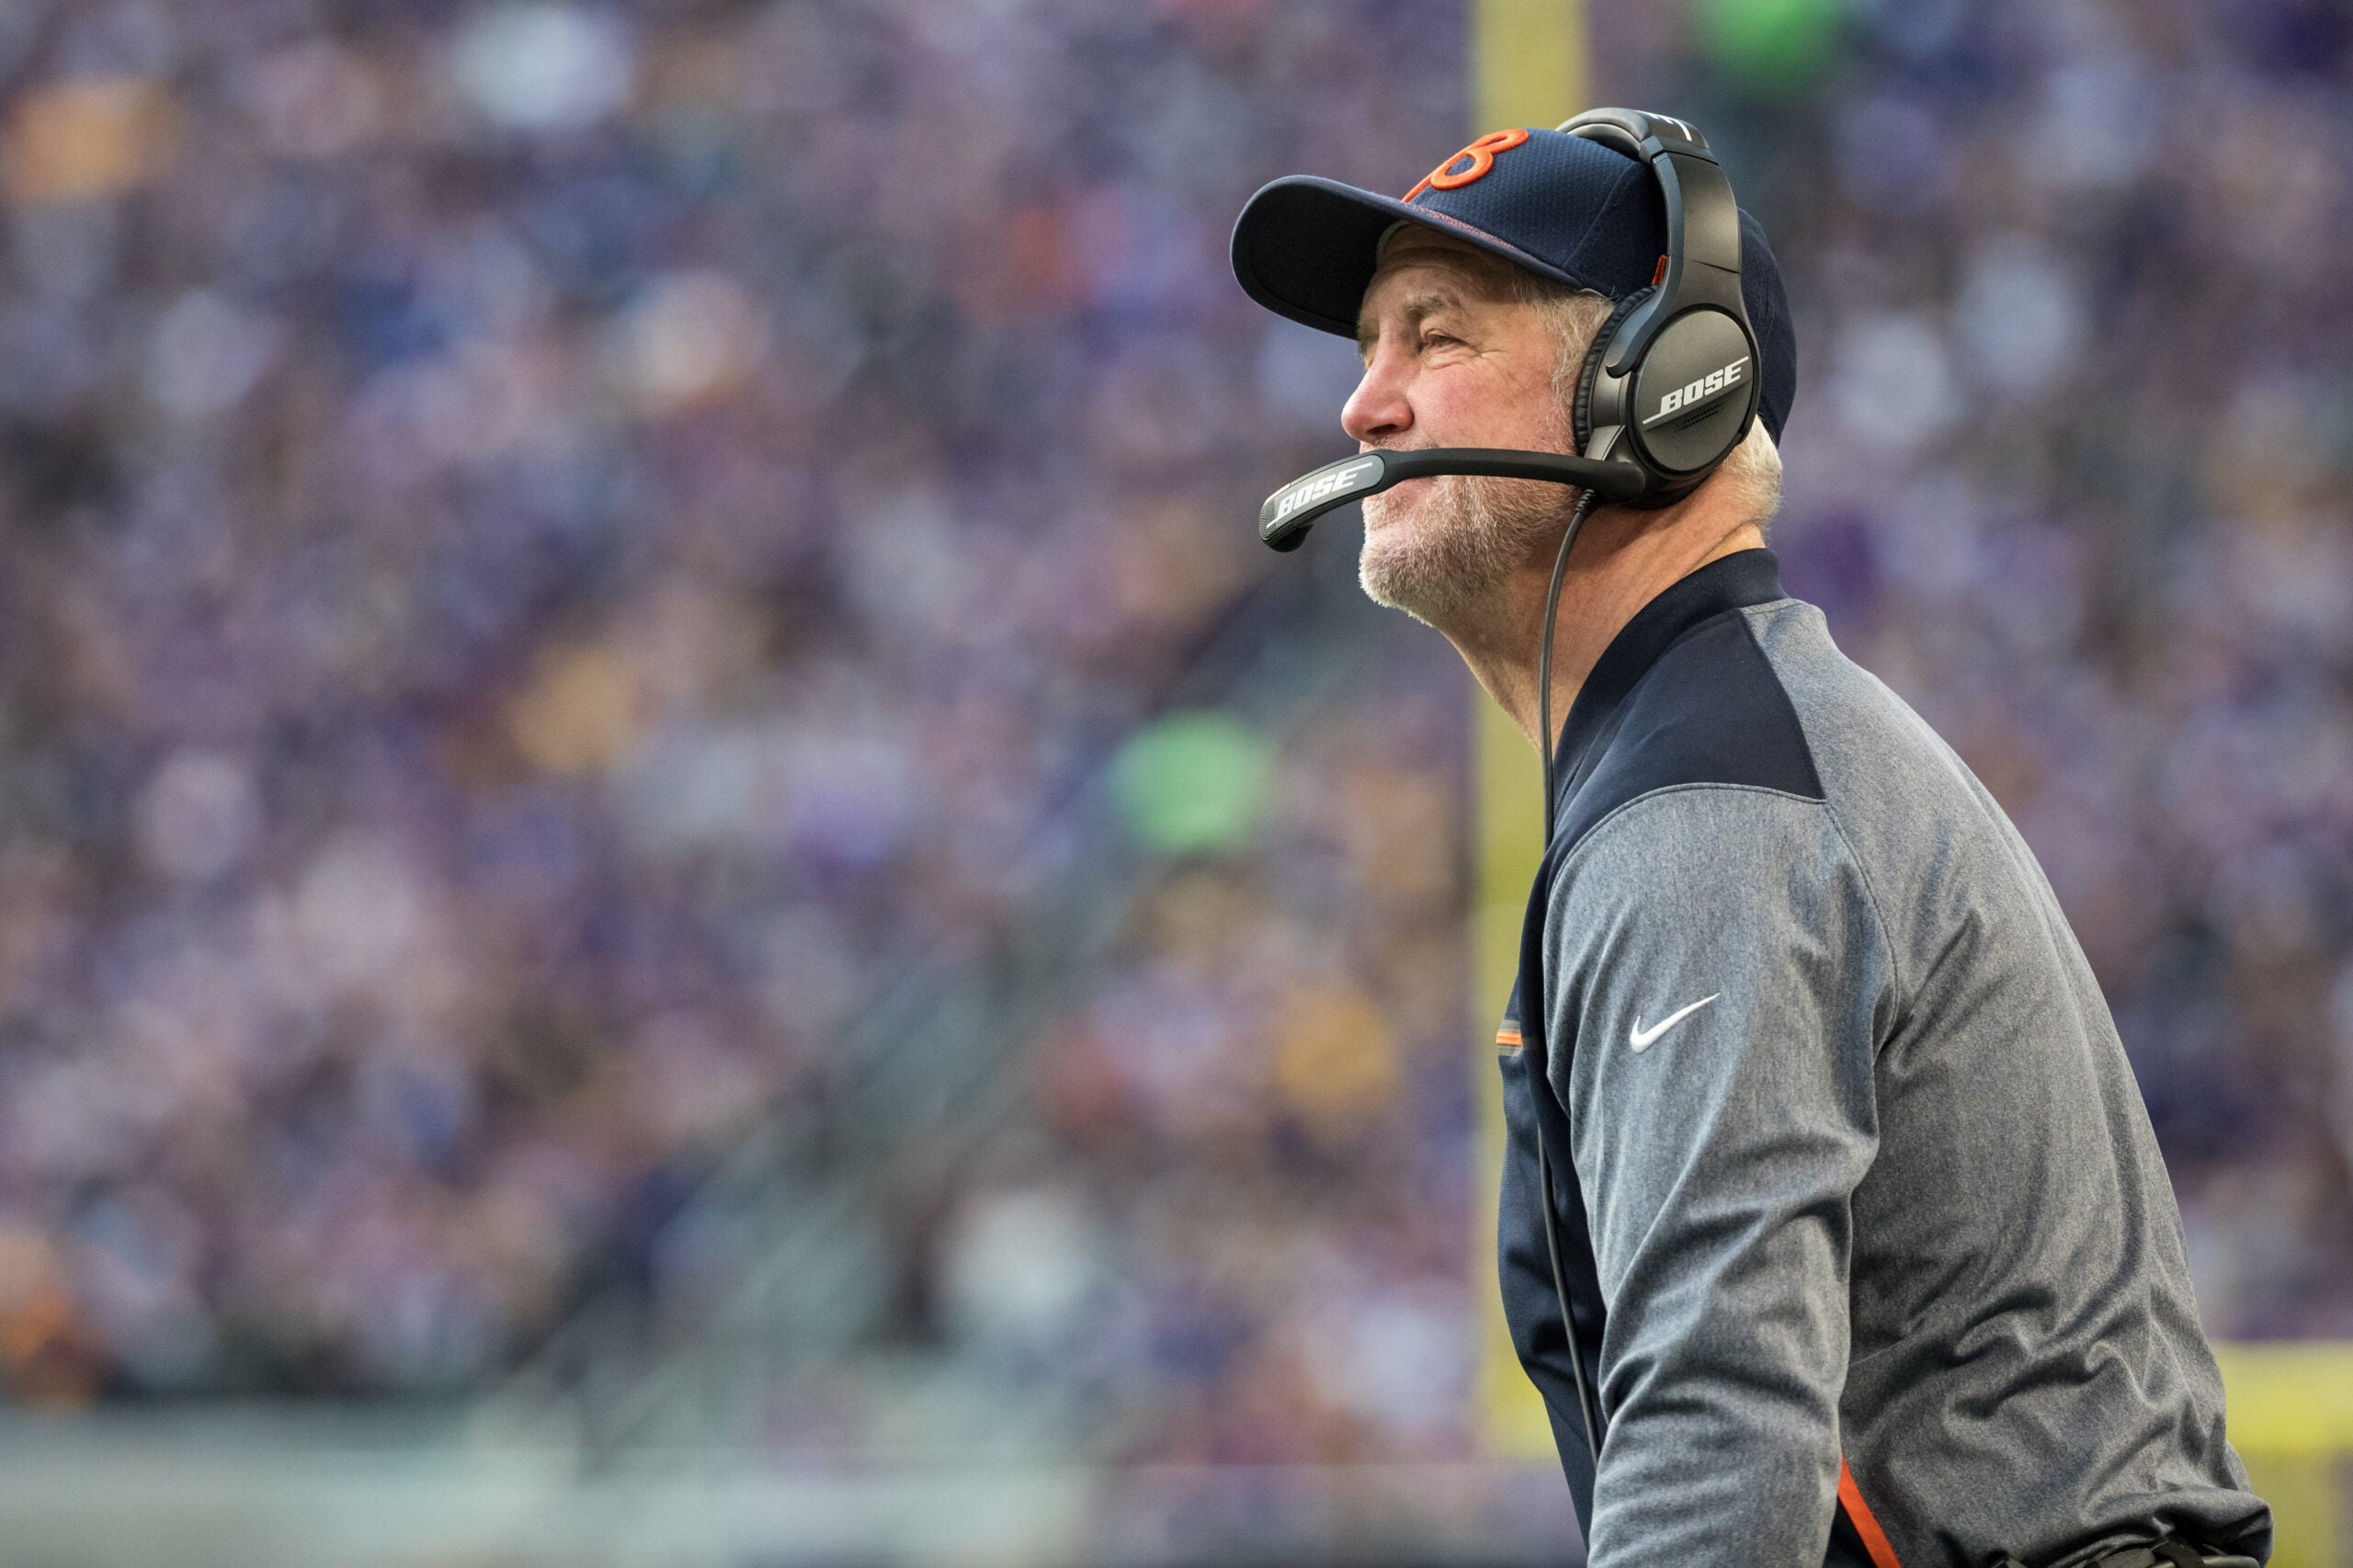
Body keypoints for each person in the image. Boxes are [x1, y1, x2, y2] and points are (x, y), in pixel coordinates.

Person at [1229, 122, 2273, 1568]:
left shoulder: (1709, 803)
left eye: (1437, 335)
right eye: (1367, 344)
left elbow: (1719, 1448)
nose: (1364, 404)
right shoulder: (1731, 746)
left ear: (1660, 387)